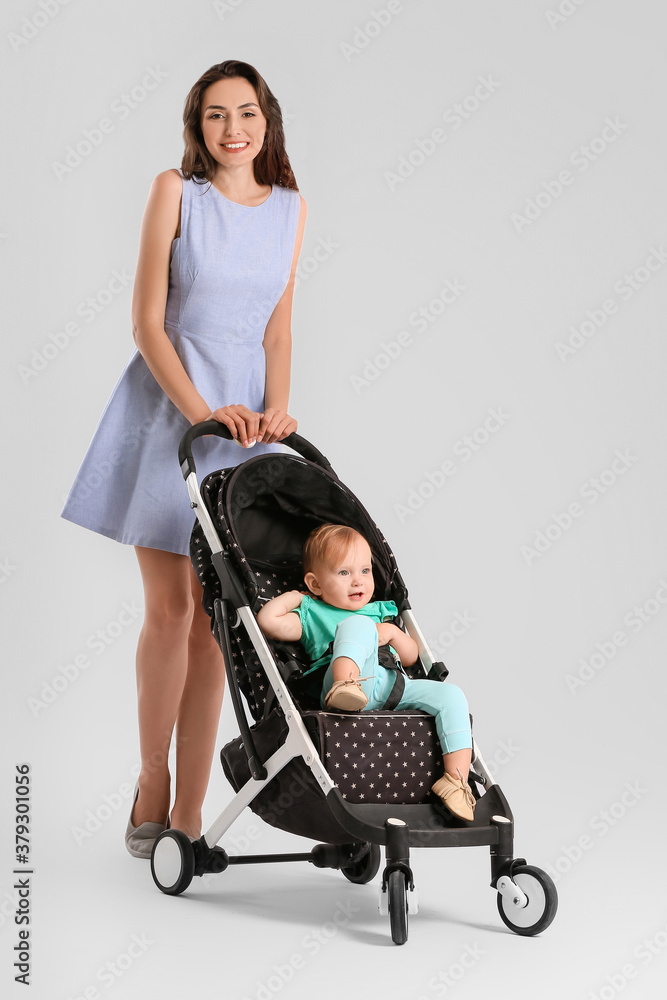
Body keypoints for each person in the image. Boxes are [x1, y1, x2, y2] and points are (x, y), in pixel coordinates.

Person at [61, 60, 307, 856]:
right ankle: (152, 776)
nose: (232, 129)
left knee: (215, 623)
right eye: (214, 116)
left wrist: (273, 407)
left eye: (245, 113)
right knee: (170, 611)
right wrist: (203, 417)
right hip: (170, 410)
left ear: (266, 121)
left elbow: (277, 327)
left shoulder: (292, 209)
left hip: (241, 430)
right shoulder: (177, 191)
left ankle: (192, 810)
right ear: (196, 128)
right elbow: (145, 323)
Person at [257, 524, 476, 821]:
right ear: (316, 583)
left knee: (452, 695)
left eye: (365, 571)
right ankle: (347, 683)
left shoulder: (380, 610)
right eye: (344, 573)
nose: (357, 581)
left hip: (391, 685)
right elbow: (268, 621)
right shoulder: (313, 613)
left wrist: (390, 632)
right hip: (337, 688)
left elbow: (411, 656)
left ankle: (457, 782)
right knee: (356, 625)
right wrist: (298, 598)